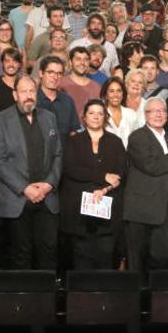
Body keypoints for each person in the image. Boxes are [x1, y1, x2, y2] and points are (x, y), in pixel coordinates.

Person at [0, 76, 63, 270]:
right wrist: (25, 188)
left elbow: (58, 155)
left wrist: (49, 184)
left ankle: (47, 300)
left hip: (47, 199)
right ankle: (22, 301)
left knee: (48, 254)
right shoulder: (0, 120)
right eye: (23, 92)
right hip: (17, 200)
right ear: (15, 95)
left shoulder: (49, 118)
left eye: (32, 91)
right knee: (20, 256)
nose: (28, 96)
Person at [125, 97, 168, 273]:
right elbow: (151, 166)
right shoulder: (137, 137)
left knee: (163, 259)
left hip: (164, 211)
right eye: (154, 111)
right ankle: (136, 300)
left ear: (167, 115)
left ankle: (158, 300)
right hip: (141, 212)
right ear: (145, 115)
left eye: (162, 110)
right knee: (137, 265)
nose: (158, 114)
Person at [61, 100, 127, 269]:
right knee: (80, 263)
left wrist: (104, 189)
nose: (96, 117)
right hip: (79, 216)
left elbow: (120, 173)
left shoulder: (116, 142)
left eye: (100, 113)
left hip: (107, 212)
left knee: (105, 261)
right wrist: (103, 176)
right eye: (92, 113)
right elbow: (70, 169)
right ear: (84, 117)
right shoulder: (73, 141)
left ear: (105, 117)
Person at [36, 56, 81, 137]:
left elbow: (73, 133)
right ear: (41, 73)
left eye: (59, 73)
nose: (55, 77)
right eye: (50, 72)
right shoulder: (32, 100)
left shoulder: (68, 101)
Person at [59, 47, 101, 115]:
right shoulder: (60, 84)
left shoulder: (96, 87)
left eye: (86, 60)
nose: (82, 63)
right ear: (70, 62)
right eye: (78, 59)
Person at [102, 77, 140, 148]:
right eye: (111, 91)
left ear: (123, 94)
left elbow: (137, 140)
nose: (115, 95)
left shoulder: (131, 114)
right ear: (106, 95)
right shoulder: (100, 114)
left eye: (119, 91)